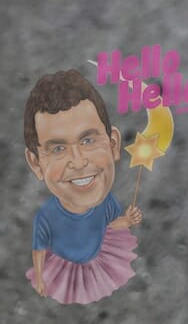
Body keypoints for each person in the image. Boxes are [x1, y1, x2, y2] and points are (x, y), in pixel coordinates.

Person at [23, 69, 142, 304]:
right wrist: (39, 276)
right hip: (62, 267)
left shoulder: (107, 202)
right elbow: (38, 250)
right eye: (58, 148)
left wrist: (126, 222)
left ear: (113, 144)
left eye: (88, 140)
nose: (78, 162)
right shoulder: (46, 216)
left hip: (96, 261)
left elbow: (109, 227)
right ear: (36, 164)